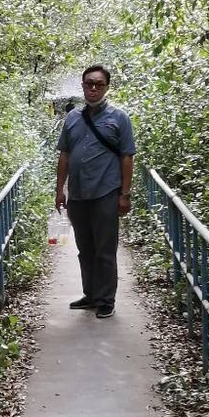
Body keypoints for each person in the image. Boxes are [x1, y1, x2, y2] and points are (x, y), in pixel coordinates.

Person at [54, 64, 136, 319]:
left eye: (99, 84)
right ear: (82, 85)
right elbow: (65, 155)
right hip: (78, 195)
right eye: (89, 83)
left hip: (105, 194)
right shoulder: (72, 118)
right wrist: (60, 189)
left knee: (105, 250)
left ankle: (105, 300)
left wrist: (124, 194)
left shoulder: (119, 118)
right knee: (85, 249)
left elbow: (127, 157)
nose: (93, 88)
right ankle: (90, 294)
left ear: (106, 87)